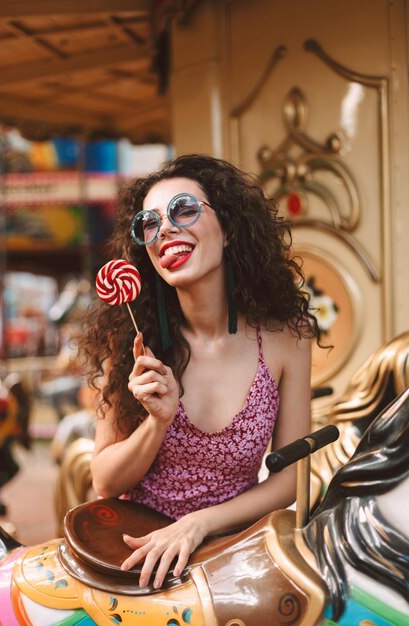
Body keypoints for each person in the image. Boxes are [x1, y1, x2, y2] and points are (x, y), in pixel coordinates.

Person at [79, 153, 322, 591]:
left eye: (184, 209)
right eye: (149, 223)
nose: (166, 228)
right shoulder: (135, 344)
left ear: (229, 228)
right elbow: (105, 480)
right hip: (139, 551)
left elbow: (288, 481)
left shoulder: (288, 337)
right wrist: (157, 421)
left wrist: (198, 524)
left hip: (232, 550)